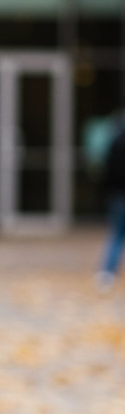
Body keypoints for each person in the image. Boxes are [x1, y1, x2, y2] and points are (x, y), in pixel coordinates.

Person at [96, 119, 125, 291]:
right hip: (117, 193)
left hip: (117, 195)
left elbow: (107, 170)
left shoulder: (115, 141)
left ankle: (107, 274)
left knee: (116, 235)